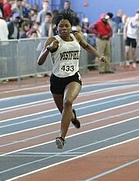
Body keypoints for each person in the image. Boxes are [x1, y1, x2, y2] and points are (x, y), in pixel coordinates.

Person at [37, 11, 106, 149]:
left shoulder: (76, 37)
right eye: (61, 26)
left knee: (68, 101)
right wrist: (48, 50)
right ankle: (73, 118)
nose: (64, 29)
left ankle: (61, 137)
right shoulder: (52, 40)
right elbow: (39, 62)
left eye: (66, 26)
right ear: (57, 27)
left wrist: (99, 56)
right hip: (57, 79)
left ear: (71, 27)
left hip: (73, 77)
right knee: (64, 111)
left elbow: (86, 46)